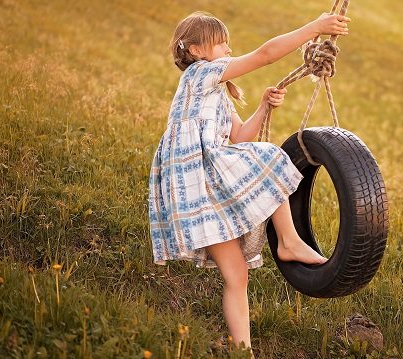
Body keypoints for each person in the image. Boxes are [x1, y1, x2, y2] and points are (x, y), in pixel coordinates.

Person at [148, 10, 350, 351]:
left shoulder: (218, 95)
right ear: (196, 51)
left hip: (200, 191)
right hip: (197, 179)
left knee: (237, 275)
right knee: (269, 157)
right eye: (221, 43)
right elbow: (265, 55)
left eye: (228, 43)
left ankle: (244, 350)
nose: (228, 49)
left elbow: (240, 138)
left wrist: (262, 108)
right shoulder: (200, 74)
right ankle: (288, 241)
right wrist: (316, 27)